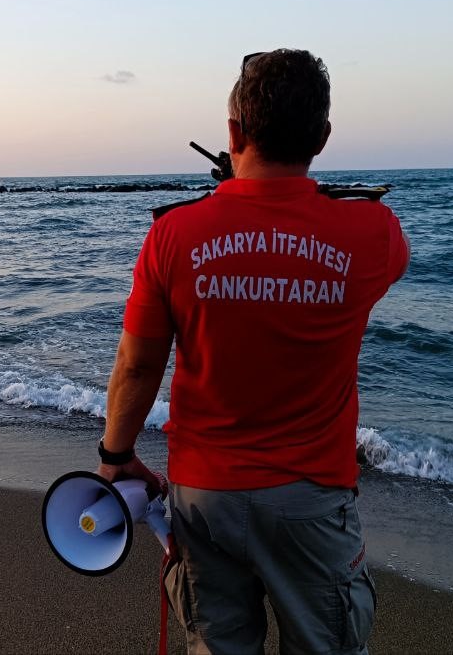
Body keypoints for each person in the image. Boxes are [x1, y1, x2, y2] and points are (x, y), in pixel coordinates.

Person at [96, 49, 409, 655]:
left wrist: (116, 455)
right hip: (311, 500)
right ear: (321, 138)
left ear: (234, 133)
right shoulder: (373, 233)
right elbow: (390, 257)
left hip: (203, 497)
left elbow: (137, 365)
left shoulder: (171, 235)